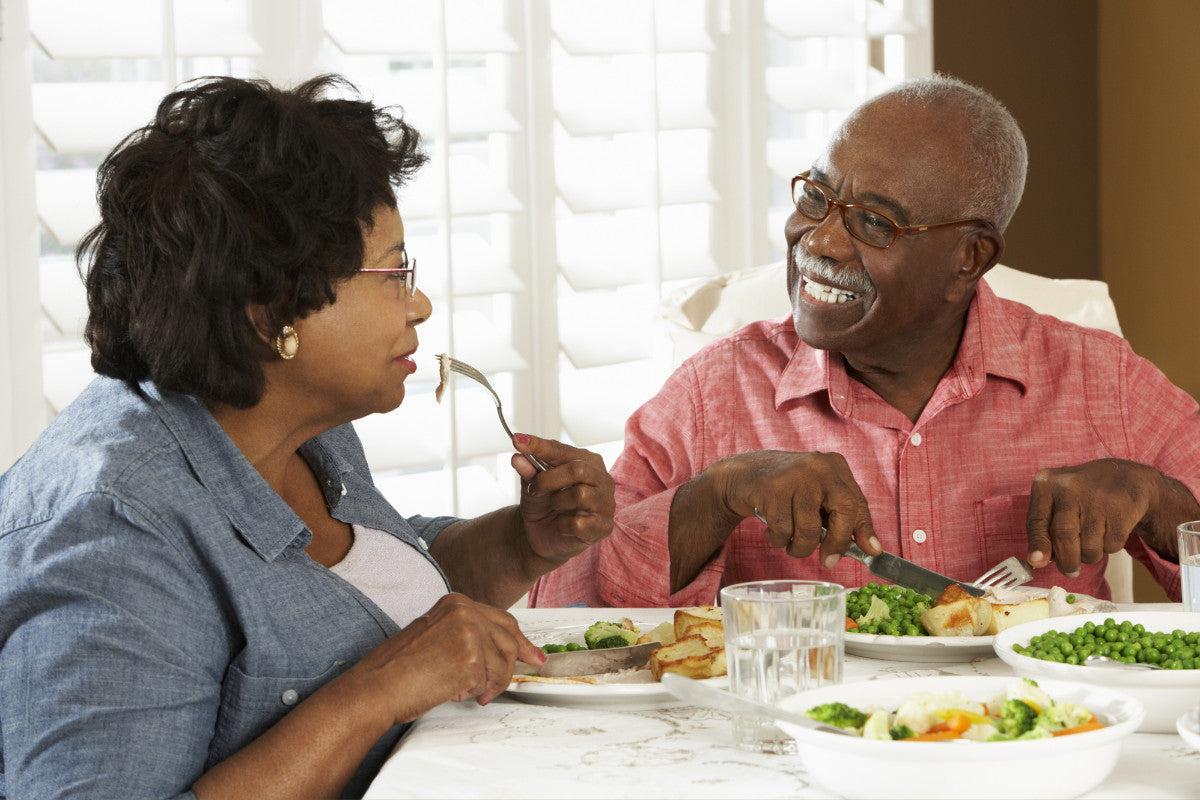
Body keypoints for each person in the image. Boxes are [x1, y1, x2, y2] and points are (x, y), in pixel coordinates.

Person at [0, 74, 614, 799]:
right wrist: (376, 691)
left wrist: (521, 544)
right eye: (392, 271)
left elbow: (360, 592)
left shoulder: (290, 423)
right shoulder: (111, 532)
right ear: (270, 313)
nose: (418, 303)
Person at [528, 73, 1199, 609]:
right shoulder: (713, 394)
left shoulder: (1097, 380)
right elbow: (563, 606)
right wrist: (717, 495)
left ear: (969, 258)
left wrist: (1159, 501)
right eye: (817, 198)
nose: (818, 241)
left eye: (875, 223)